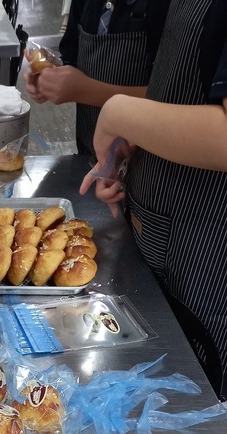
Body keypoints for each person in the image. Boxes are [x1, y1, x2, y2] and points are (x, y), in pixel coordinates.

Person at [79, 0, 227, 401]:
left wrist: (119, 113)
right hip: (155, 237)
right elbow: (185, 97)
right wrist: (128, 159)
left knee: (188, 397)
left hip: (205, 256)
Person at [24, 0, 170, 155]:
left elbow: (171, 99)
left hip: (145, 154)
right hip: (89, 151)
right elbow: (71, 57)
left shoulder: (166, 8)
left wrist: (85, 90)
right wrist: (51, 77)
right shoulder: (87, 4)